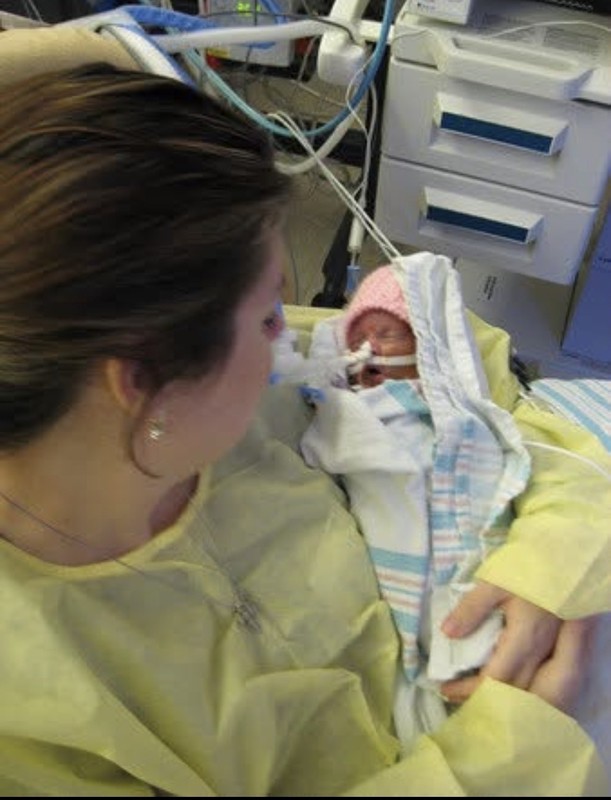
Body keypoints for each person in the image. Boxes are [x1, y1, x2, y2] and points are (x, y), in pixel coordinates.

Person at [0, 30, 610, 796]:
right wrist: (516, 745)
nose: (289, 334)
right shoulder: (33, 714)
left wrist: (551, 571)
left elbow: (499, 404)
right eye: (265, 317)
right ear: (141, 384)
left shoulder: (263, 380)